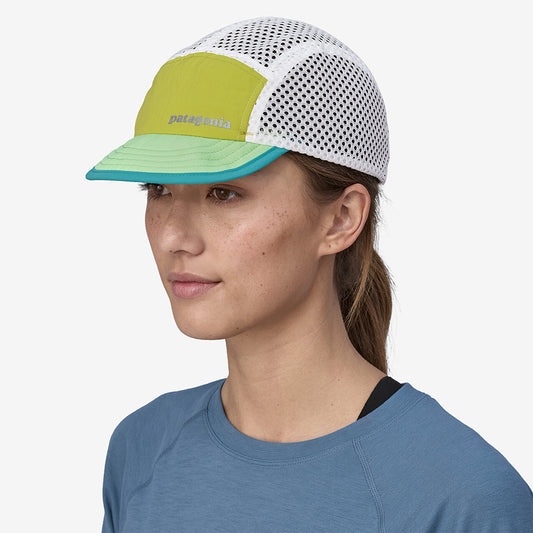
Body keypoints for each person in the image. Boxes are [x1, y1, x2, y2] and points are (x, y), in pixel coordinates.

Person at [86, 16, 533, 533]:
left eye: (223, 193)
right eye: (158, 190)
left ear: (341, 218)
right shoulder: (141, 450)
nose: (173, 236)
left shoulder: (460, 498)